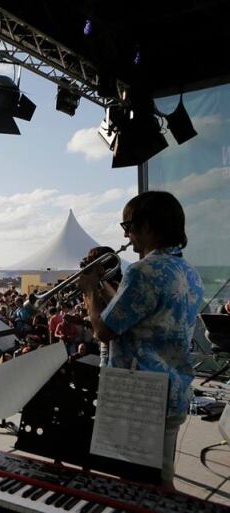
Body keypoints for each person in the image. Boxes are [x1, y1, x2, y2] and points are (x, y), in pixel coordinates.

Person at [78, 191, 203, 489]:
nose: (128, 237)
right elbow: (141, 316)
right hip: (172, 392)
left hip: (139, 397)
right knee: (159, 480)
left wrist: (87, 290)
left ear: (147, 225)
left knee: (139, 488)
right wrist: (105, 290)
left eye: (128, 227)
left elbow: (104, 331)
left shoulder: (143, 272)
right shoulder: (188, 271)